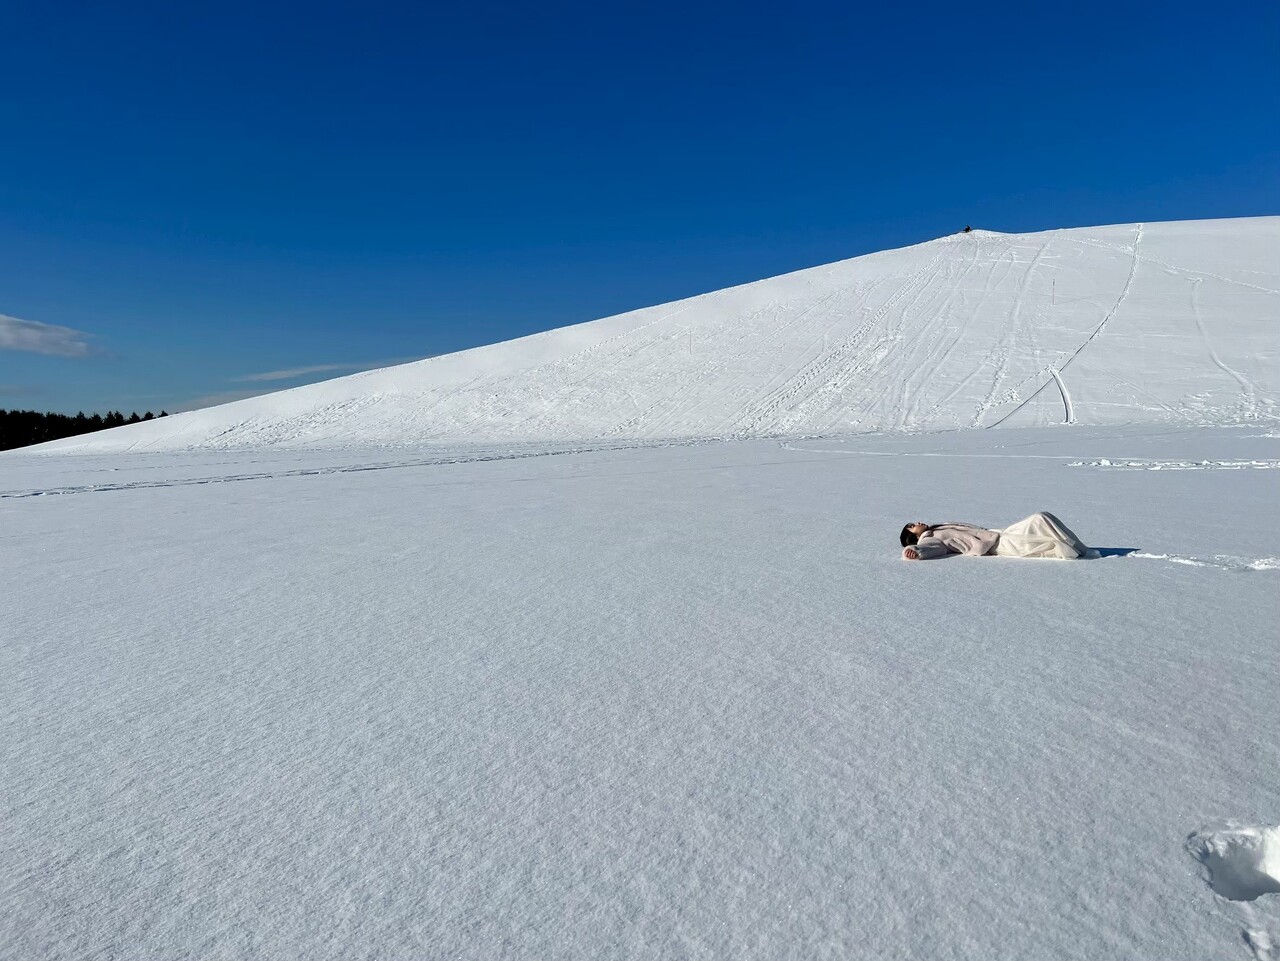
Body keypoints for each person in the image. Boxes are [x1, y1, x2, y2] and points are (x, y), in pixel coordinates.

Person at [899, 513, 1097, 561]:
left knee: (1041, 518)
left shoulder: (938, 528)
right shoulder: (929, 538)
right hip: (997, 545)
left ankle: (1078, 548)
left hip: (998, 534)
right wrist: (915, 551)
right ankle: (1080, 552)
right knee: (1040, 523)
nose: (916, 523)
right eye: (911, 526)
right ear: (913, 536)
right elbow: (932, 548)